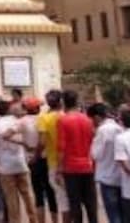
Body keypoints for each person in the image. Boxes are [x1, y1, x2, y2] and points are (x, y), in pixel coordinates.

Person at [0, 100, 38, 223]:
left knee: (12, 199)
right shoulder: (19, 122)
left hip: (5, 167)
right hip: (21, 162)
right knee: (28, 195)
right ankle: (34, 219)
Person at [57, 91, 97, 223]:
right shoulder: (88, 120)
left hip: (71, 168)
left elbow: (61, 147)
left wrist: (58, 169)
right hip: (87, 165)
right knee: (91, 204)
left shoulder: (63, 120)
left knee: (75, 205)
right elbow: (92, 142)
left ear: (63, 103)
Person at [37, 90, 69, 223]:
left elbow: (42, 142)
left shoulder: (44, 118)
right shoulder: (67, 116)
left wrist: (36, 155)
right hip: (70, 161)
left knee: (62, 199)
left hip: (54, 162)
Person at [87, 103, 122, 223]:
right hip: (120, 176)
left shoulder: (102, 130)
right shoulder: (118, 127)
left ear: (96, 117)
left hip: (107, 176)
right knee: (122, 213)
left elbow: (95, 154)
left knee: (113, 214)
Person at [25, 97, 57, 223]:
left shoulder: (22, 121)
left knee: (38, 194)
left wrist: (24, 144)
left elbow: (8, 135)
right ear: (37, 108)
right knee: (51, 193)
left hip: (33, 160)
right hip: (46, 158)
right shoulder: (44, 118)